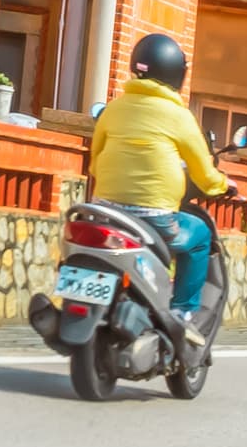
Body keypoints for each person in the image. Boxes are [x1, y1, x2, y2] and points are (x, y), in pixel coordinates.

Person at [89, 31, 228, 317]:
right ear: (176, 74)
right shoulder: (179, 116)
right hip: (154, 218)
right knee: (200, 236)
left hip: (105, 212)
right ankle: (183, 312)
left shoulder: (113, 110)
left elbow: (94, 162)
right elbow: (204, 174)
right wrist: (223, 186)